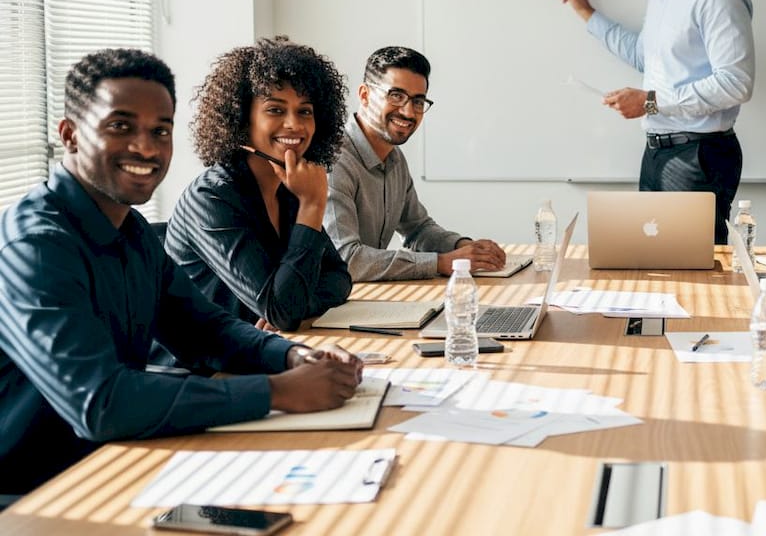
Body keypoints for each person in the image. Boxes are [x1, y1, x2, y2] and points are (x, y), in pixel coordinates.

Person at [0, 50, 361, 496]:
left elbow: (204, 328)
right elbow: (101, 403)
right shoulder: (36, 246)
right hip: (38, 492)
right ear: (70, 135)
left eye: (160, 131)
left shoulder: (129, 230)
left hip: (119, 459)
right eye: (121, 126)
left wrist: (291, 356)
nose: (147, 147)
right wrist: (279, 392)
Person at [557, 0, 754, 243]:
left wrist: (648, 101)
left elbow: (736, 81)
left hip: (698, 155)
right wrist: (585, 11)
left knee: (693, 273)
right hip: (659, 151)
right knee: (658, 262)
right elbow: (642, 55)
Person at [164, 37, 351, 331]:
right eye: (276, 110)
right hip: (205, 369)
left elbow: (339, 279)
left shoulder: (289, 187)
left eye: (305, 111)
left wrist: (296, 307)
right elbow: (283, 312)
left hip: (260, 350)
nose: (294, 124)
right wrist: (313, 205)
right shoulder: (211, 198)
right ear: (241, 119)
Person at [324, 46, 507, 280]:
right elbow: (347, 259)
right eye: (396, 96)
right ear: (364, 95)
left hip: (367, 296)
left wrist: (463, 247)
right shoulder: (334, 160)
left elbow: (417, 229)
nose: (409, 112)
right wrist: (440, 263)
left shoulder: (394, 158)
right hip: (327, 308)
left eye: (418, 101)